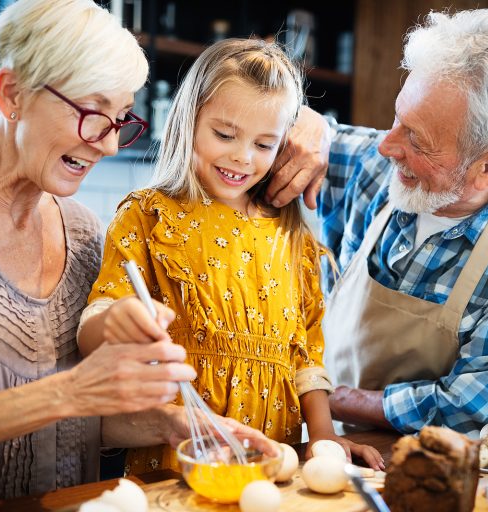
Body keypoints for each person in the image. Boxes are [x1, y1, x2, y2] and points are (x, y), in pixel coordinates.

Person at [0, 2, 273, 511]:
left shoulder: (85, 231)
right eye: (93, 113)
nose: (109, 145)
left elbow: (72, 421)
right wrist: (73, 392)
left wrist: (171, 423)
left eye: (120, 118)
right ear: (11, 94)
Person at [265, 9, 488, 436]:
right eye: (398, 117)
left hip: (438, 474)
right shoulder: (375, 166)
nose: (387, 145)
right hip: (327, 449)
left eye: (417, 139)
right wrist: (303, 120)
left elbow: (475, 403)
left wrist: (319, 398)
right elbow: (268, 126)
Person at [77, 38, 384, 474]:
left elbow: (306, 361)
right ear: (189, 121)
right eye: (224, 134)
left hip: (274, 460)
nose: (242, 156)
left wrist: (324, 438)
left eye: (265, 145)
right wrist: (114, 322)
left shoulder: (291, 235)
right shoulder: (147, 215)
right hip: (177, 458)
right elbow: (92, 328)